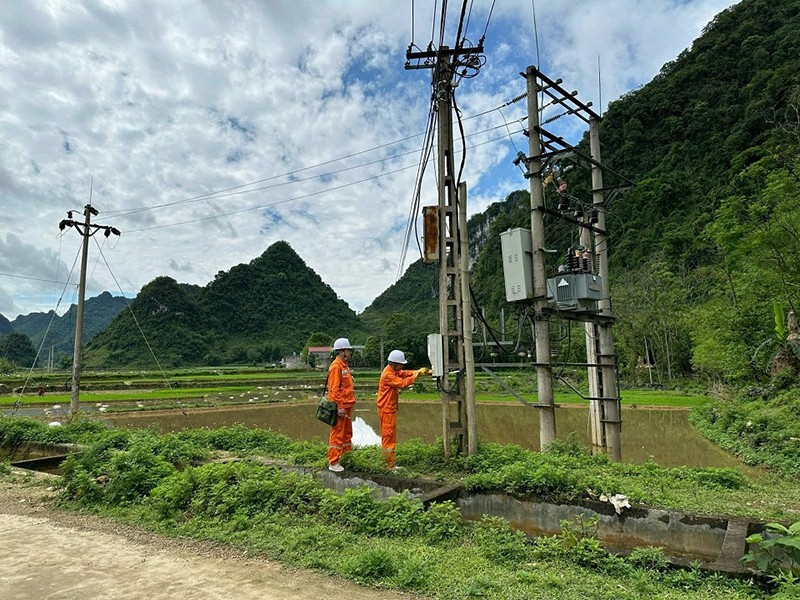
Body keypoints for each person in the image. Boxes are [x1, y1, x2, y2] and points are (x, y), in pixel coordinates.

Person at [377, 349, 431, 471]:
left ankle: (390, 464)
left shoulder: (393, 370)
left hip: (389, 409)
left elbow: (404, 373)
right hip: (386, 409)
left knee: (390, 437)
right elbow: (402, 383)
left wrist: (418, 372)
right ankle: (388, 466)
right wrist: (416, 375)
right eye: (400, 364)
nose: (402, 366)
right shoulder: (388, 375)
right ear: (394, 363)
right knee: (388, 438)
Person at [327, 337, 356, 472]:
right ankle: (333, 462)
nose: (350, 353)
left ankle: (346, 457)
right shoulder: (336, 367)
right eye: (348, 351)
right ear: (341, 352)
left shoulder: (344, 366)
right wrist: (339, 407)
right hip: (341, 407)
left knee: (347, 434)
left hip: (347, 406)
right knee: (338, 434)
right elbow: (334, 390)